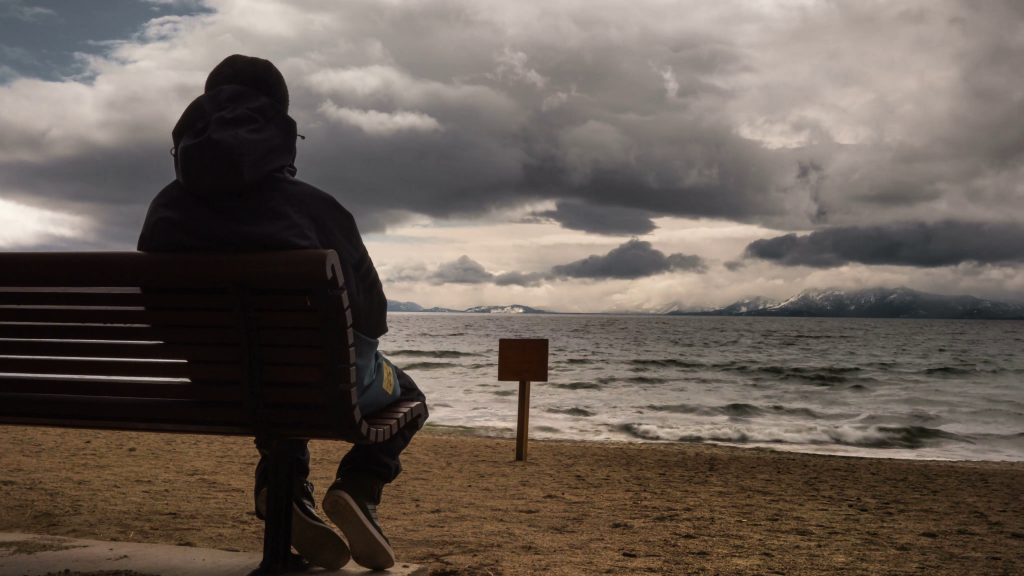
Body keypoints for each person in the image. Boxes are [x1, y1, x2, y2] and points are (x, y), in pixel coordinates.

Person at [137, 54, 428, 571]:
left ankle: (283, 488)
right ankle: (358, 487)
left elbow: (157, 315)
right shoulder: (312, 206)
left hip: (213, 386)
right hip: (310, 384)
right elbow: (373, 317)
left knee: (275, 380)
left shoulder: (164, 208)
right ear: (279, 125)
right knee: (408, 394)